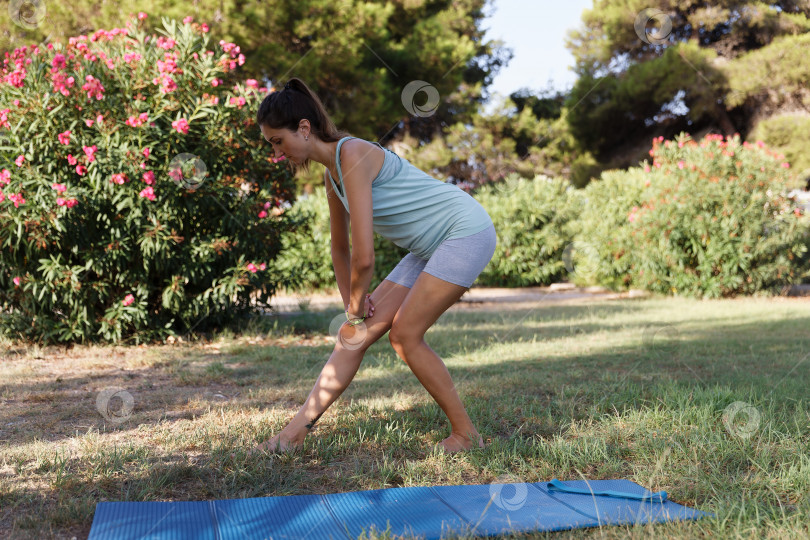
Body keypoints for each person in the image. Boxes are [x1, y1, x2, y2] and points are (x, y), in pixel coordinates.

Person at [248, 77, 497, 456]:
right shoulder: (333, 176)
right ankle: (292, 435)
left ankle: (466, 435)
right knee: (353, 336)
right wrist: (352, 306)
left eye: (277, 141)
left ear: (303, 128)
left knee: (404, 335)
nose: (277, 152)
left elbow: (364, 255)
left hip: (463, 231)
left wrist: (357, 301)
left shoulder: (353, 155)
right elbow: (340, 249)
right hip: (428, 246)